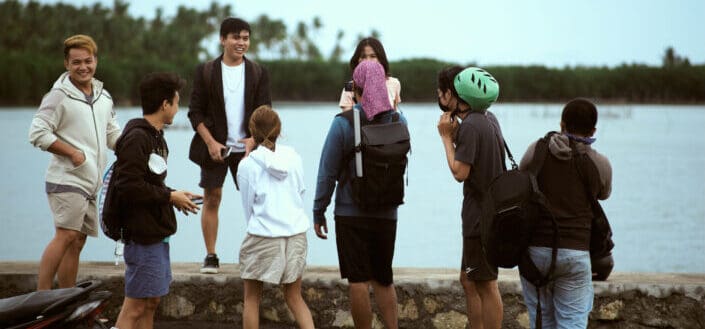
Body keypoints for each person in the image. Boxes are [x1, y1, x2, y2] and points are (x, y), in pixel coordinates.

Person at [314, 60, 405, 329]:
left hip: (350, 212)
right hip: (388, 212)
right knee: (384, 279)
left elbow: (326, 173)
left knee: (358, 281)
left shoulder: (343, 123)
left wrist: (319, 210)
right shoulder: (399, 119)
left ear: (356, 87)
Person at [28, 34, 122, 291]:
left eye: (88, 61)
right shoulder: (58, 96)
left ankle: (67, 298)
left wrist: (135, 147)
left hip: (92, 182)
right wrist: (72, 152)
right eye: (76, 62)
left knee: (78, 240)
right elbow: (37, 133)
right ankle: (42, 297)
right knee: (66, 235)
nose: (83, 67)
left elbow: (112, 134)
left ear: (96, 61)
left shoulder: (104, 96)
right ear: (67, 64)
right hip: (66, 179)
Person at [112, 72, 201, 329]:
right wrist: (169, 196)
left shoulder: (154, 136)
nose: (177, 107)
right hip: (141, 235)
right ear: (165, 104)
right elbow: (128, 186)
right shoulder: (137, 138)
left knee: (151, 302)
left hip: (155, 233)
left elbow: (148, 183)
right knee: (135, 306)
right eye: (176, 102)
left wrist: (175, 195)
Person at [518, 98, 612, 328]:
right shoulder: (599, 163)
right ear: (593, 130)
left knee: (541, 322)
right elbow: (603, 194)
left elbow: (521, 183)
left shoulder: (537, 150)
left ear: (562, 124)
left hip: (536, 252)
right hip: (575, 251)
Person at [188, 17, 272, 274]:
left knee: (258, 201)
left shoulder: (258, 72)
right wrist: (211, 142)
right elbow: (195, 112)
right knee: (212, 198)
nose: (241, 42)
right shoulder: (206, 71)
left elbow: (265, 112)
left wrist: (253, 139)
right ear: (222, 39)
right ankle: (211, 256)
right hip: (216, 148)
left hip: (248, 148)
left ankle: (258, 256)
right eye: (236, 37)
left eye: (245, 38)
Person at [436, 66, 504, 329]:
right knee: (468, 279)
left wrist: (446, 139)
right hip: (488, 214)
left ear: (454, 95)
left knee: (486, 284)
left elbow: (460, 172)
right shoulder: (488, 119)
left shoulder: (472, 127)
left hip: (481, 219)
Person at [236, 105, 315, 329]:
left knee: (252, 299)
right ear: (279, 130)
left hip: (264, 234)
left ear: (252, 132)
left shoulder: (247, 165)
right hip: (295, 234)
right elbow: (300, 191)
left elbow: (247, 206)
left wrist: (249, 155)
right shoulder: (293, 157)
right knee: (294, 297)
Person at [338, 37, 401, 111]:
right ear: (358, 60)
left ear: (380, 59)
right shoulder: (350, 86)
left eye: (373, 56)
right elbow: (346, 117)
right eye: (363, 56)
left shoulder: (394, 83)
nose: (368, 61)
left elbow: (394, 114)